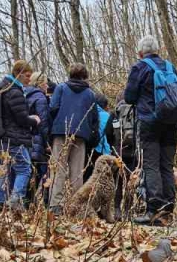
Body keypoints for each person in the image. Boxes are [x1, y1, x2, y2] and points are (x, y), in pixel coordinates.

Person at [124, 35, 177, 224]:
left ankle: (154, 210)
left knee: (151, 165)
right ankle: (168, 209)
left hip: (149, 122)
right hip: (171, 122)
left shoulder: (139, 67)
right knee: (167, 165)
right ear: (158, 49)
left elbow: (129, 97)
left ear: (140, 53)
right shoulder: (169, 66)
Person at [47, 63, 97, 213]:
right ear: (85, 76)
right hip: (81, 135)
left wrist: (54, 127)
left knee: (59, 169)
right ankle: (76, 205)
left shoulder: (61, 88)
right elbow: (93, 117)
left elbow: (53, 108)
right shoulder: (90, 93)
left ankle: (56, 204)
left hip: (61, 131)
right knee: (77, 172)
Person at [0, 61, 41, 209]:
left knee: (8, 169)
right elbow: (21, 118)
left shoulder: (3, 88)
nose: (29, 79)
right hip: (14, 137)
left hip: (4, 137)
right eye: (26, 76)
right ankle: (15, 201)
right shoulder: (14, 91)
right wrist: (34, 120)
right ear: (18, 74)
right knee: (24, 169)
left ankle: (1, 201)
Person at [23, 73, 52, 207]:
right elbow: (44, 122)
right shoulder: (40, 98)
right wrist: (47, 143)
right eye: (45, 83)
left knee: (29, 172)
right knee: (42, 172)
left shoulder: (24, 95)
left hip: (26, 138)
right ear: (40, 83)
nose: (47, 86)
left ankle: (26, 202)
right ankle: (42, 204)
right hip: (39, 140)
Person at [112, 93, 139, 218]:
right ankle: (127, 211)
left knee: (118, 181)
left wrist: (114, 145)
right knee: (130, 182)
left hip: (118, 153)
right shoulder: (136, 111)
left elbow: (108, 132)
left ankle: (117, 210)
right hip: (133, 153)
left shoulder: (115, 113)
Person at [85, 93, 114, 181]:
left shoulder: (87, 113)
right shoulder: (108, 116)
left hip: (89, 150)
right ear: (105, 106)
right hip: (103, 152)